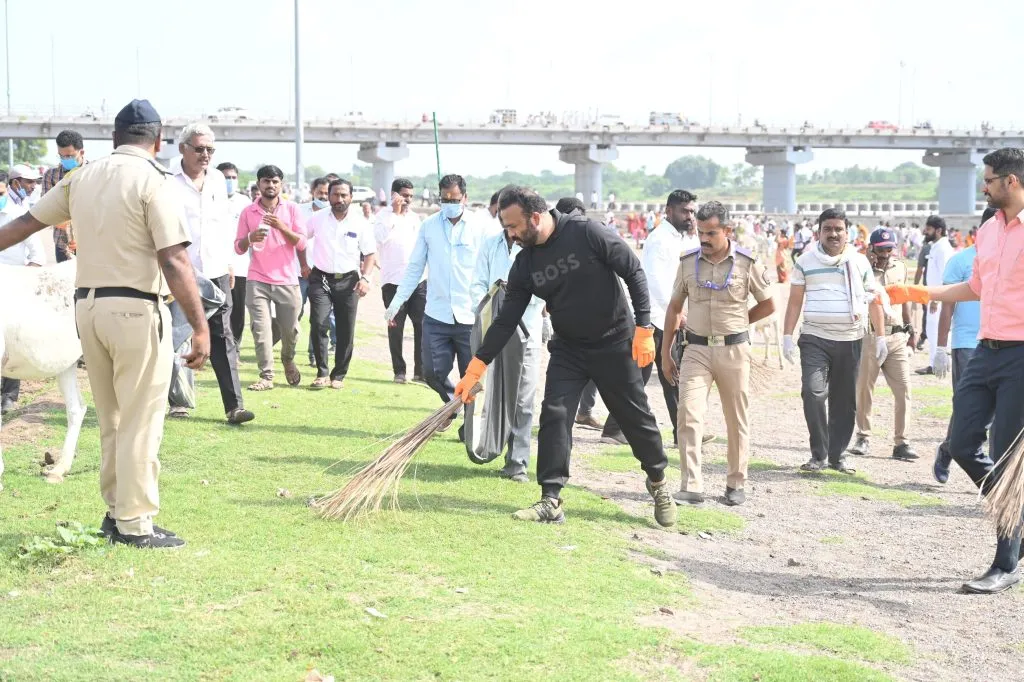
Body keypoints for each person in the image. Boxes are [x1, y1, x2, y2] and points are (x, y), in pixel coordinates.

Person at [0, 98, 211, 549]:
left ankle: (116, 513)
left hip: (87, 310)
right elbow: (173, 258)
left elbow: (23, 224)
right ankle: (135, 523)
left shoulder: (82, 177)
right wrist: (201, 326)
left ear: (113, 138)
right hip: (136, 309)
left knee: (113, 418)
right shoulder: (154, 182)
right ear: (158, 141)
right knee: (141, 418)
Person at [452, 186, 676, 528]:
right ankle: (551, 498)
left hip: (615, 341)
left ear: (536, 217)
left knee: (635, 417)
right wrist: (477, 365)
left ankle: (658, 482)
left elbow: (633, 271)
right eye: (505, 229)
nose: (510, 235)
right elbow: (506, 318)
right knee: (555, 414)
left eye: (513, 227)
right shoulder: (525, 264)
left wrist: (644, 327)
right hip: (569, 347)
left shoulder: (587, 232)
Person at [885, 148, 1024, 594]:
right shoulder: (987, 230)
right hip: (985, 349)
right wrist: (919, 291)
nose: (983, 186)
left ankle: (1006, 561)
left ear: (1012, 180)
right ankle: (1014, 513)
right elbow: (976, 287)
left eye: (988, 179)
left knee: (1007, 457)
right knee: (962, 443)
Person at [661, 201, 776, 506]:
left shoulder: (747, 263)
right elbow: (674, 308)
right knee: (688, 414)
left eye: (711, 233)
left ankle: (736, 483)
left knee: (736, 419)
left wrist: (740, 324)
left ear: (727, 230)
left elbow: (768, 304)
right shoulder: (687, 262)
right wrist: (665, 353)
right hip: (695, 349)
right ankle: (691, 485)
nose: (704, 239)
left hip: (734, 351)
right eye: (700, 232)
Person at [783, 208, 887, 474]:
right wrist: (786, 335)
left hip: (850, 338)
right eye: (827, 228)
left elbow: (874, 300)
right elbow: (795, 302)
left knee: (844, 401)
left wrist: (882, 337)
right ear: (819, 231)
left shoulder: (860, 262)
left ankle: (837, 456)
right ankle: (818, 454)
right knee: (813, 393)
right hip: (814, 337)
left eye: (838, 229)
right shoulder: (805, 261)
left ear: (847, 232)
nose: (833, 233)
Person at [385, 174, 491, 434]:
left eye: (454, 199)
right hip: (437, 314)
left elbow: (491, 267)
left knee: (471, 377)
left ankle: (468, 423)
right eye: (444, 199)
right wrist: (398, 301)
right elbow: (415, 267)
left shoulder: (481, 227)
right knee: (431, 372)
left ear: (464, 198)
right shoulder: (429, 226)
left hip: (470, 315)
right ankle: (450, 405)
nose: (449, 204)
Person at [167, 124, 253, 424]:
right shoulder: (166, 180)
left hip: (216, 269)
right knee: (178, 336)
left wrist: (229, 262)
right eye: (200, 149)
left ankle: (234, 406)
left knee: (223, 336)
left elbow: (223, 227)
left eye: (210, 150)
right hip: (180, 271)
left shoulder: (217, 180)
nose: (205, 155)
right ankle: (178, 401)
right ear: (183, 149)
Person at [470, 210, 545, 482]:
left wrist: (513, 294)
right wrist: (493, 298)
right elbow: (477, 283)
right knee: (492, 393)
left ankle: (517, 462)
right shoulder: (491, 244)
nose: (510, 227)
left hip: (528, 328)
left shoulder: (536, 247)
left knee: (523, 398)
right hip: (494, 329)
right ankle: (487, 444)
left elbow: (541, 290)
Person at [933, 207, 995, 484]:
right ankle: (952, 450)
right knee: (968, 406)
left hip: (1005, 342)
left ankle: (954, 450)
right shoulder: (960, 261)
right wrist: (940, 348)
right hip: (967, 343)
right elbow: (947, 307)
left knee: (996, 412)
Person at [234, 165, 307, 391]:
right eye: (266, 181)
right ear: (259, 184)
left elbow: (302, 243)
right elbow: (238, 247)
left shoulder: (292, 209)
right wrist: (249, 238)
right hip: (257, 279)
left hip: (287, 279)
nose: (271, 185)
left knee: (291, 330)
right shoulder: (249, 212)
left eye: (275, 181)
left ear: (281, 184)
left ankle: (287, 359)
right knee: (261, 329)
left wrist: (281, 226)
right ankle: (266, 376)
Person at [848, 228, 917, 460]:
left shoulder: (901, 267)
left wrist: (911, 328)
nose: (886, 253)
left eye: (890, 248)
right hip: (870, 337)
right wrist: (867, 264)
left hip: (897, 337)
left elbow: (905, 297)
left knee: (904, 390)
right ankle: (863, 437)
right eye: (881, 249)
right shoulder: (861, 268)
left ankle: (902, 443)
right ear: (872, 248)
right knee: (865, 389)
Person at [639, 189, 700, 448]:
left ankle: (681, 432)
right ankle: (681, 432)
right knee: (660, 376)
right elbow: (655, 281)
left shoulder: (678, 238)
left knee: (666, 377)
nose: (690, 216)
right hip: (657, 319)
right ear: (669, 211)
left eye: (693, 212)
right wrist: (678, 312)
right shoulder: (659, 239)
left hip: (668, 318)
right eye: (685, 211)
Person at [302, 178, 377, 389]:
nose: (339, 199)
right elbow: (299, 239)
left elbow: (370, 253)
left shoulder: (360, 222)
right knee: (318, 322)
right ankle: (322, 372)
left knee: (346, 329)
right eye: (335, 194)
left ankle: (339, 375)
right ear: (329, 195)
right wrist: (303, 265)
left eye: (344, 195)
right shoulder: (317, 218)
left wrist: (366, 278)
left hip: (349, 281)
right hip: (321, 278)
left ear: (351, 198)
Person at [0, 170, 43, 414]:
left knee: (10, 343)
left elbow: (38, 257)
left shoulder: (19, 217)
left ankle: (9, 396)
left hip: (11, 290)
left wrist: (20, 282)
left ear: (7, 188)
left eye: (1, 193)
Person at [375, 178, 425, 384]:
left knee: (422, 326)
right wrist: (394, 214)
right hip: (393, 282)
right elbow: (380, 239)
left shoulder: (415, 218)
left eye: (411, 196)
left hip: (419, 281)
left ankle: (420, 372)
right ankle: (399, 371)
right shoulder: (382, 216)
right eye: (404, 195)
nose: (408, 200)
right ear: (394, 194)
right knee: (396, 327)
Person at [217, 161, 255, 346]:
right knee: (217, 308)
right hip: (215, 264)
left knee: (238, 309)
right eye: (226, 178)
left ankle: (235, 347)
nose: (230, 181)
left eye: (233, 177)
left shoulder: (245, 203)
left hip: (240, 265)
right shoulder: (210, 199)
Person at [42, 129, 86, 263]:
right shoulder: (51, 175)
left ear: (81, 152)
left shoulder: (94, 172)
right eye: (62, 156)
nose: (65, 159)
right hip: (62, 244)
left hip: (91, 244)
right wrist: (57, 220)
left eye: (69, 156)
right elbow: (46, 209)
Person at [917, 215, 954, 374]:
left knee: (936, 330)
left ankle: (936, 365)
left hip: (938, 299)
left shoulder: (943, 248)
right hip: (933, 296)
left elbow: (945, 275)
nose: (926, 231)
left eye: (929, 228)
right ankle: (933, 363)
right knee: (931, 330)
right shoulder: (936, 246)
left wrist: (937, 299)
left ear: (938, 230)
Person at [913, 230, 933, 352]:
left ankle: (924, 336)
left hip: (928, 288)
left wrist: (915, 285)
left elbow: (920, 269)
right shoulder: (945, 247)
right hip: (942, 287)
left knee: (927, 313)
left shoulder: (926, 248)